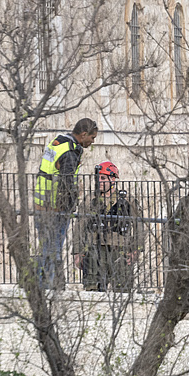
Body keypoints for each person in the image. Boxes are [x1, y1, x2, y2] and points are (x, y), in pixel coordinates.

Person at [34, 117, 99, 288]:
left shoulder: (57, 143)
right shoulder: (70, 152)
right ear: (83, 134)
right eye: (92, 137)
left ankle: (41, 283)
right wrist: (70, 204)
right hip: (55, 209)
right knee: (53, 249)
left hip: (41, 204)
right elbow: (66, 182)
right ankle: (47, 286)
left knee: (45, 248)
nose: (92, 142)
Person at [72, 161, 140, 292]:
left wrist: (136, 250)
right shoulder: (90, 200)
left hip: (119, 250)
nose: (99, 181)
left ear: (113, 179)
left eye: (103, 178)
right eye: (98, 178)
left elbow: (139, 225)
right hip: (94, 250)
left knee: (123, 290)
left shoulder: (127, 200)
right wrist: (77, 252)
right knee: (92, 289)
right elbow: (79, 227)